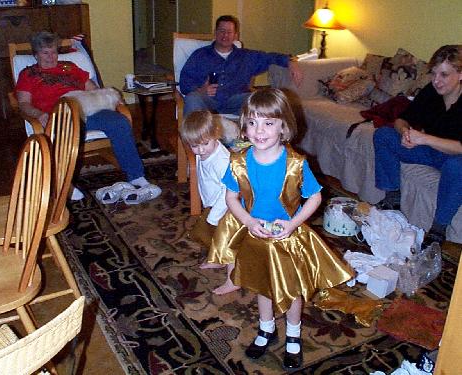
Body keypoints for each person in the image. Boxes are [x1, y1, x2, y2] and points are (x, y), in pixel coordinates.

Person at [209, 88, 353, 370]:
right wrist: (248, 221)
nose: (259, 130)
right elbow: (231, 198)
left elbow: (315, 197)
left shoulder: (296, 164)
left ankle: (294, 335)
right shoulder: (238, 161)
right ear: (244, 126)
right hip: (257, 236)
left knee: (292, 290)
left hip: (289, 238)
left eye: (268, 123)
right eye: (252, 122)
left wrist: (293, 224)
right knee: (264, 286)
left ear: (284, 127)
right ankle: (266, 329)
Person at [15, 31, 161, 204]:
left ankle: (135, 176)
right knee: (67, 130)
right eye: (45, 52)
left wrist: (111, 100)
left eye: (54, 51)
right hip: (59, 114)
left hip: (87, 109)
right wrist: (39, 114)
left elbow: (93, 89)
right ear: (35, 55)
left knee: (119, 121)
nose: (51, 56)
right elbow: (23, 103)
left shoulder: (69, 66)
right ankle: (64, 184)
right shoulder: (28, 74)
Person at [374, 45, 462, 248]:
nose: (436, 81)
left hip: (453, 158)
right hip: (429, 151)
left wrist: (424, 139)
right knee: (384, 135)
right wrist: (405, 132)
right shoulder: (431, 92)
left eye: (444, 75)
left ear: (460, 74)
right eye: (433, 73)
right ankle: (392, 197)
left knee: (457, 166)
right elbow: (401, 119)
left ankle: (439, 227)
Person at [179, 15, 303, 116]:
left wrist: (290, 61)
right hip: (208, 101)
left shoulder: (246, 56)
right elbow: (184, 83)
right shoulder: (200, 55)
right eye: (221, 31)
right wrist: (201, 90)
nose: (225, 35)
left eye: (229, 32)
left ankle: (261, 141)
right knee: (192, 98)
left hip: (237, 101)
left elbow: (270, 57)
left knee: (263, 100)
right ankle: (193, 142)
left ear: (235, 35)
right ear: (215, 33)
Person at [179, 111, 240, 295]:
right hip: (214, 203)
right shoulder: (204, 151)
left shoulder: (220, 160)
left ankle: (233, 279)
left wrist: (214, 215)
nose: (200, 150)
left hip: (228, 206)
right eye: (194, 146)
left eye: (205, 144)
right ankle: (216, 258)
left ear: (215, 134)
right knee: (211, 234)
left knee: (229, 242)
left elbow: (228, 190)